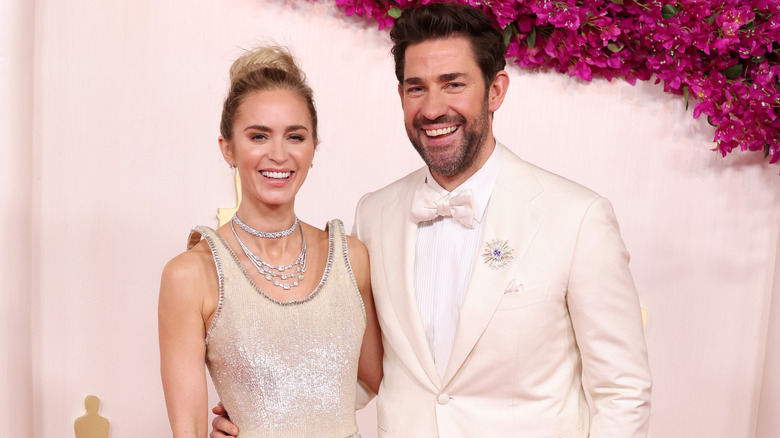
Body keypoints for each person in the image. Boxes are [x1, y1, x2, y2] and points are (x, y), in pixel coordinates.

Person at [212, 3, 651, 437]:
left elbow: (623, 391)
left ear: (495, 90)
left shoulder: (578, 217)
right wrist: (265, 417)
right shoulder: (374, 214)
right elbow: (366, 370)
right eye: (416, 88)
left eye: (453, 84)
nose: (433, 108)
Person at [159, 44, 383, 438]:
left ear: (313, 148)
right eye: (258, 136)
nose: (278, 154)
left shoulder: (351, 257)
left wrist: (294, 409)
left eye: (295, 136)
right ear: (228, 148)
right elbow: (188, 431)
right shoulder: (191, 274)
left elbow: (380, 379)